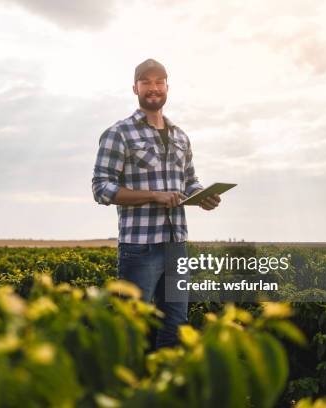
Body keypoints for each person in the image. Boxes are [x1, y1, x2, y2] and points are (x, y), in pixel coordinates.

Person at [91, 58, 221, 351]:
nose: (153, 88)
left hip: (176, 245)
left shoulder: (180, 136)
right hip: (140, 248)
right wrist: (153, 195)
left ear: (167, 87)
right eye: (146, 82)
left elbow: (189, 180)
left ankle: (164, 392)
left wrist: (203, 196)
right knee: (132, 330)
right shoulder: (119, 133)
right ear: (135, 87)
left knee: (175, 328)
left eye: (159, 82)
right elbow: (101, 188)